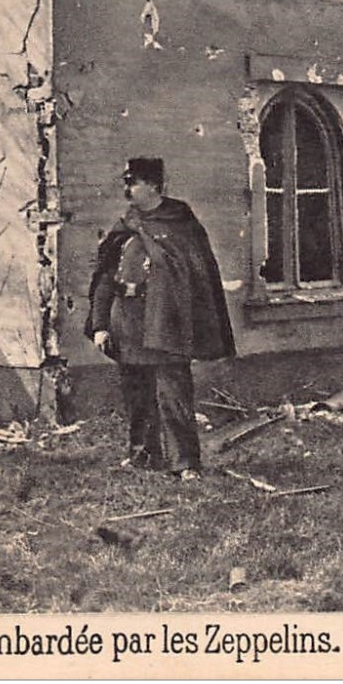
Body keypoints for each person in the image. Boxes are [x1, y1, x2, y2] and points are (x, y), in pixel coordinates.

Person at [85, 157, 235, 481]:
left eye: (132, 182)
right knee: (137, 394)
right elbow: (105, 279)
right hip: (128, 323)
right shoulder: (125, 225)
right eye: (126, 182)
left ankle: (185, 463)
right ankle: (143, 455)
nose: (127, 189)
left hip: (167, 324)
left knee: (174, 395)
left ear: (153, 185)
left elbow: (197, 275)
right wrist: (100, 325)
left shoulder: (180, 224)